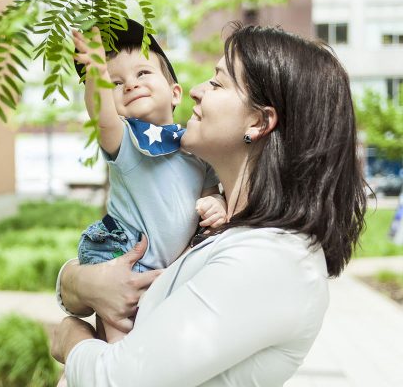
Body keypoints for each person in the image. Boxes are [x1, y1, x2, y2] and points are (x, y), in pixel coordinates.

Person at [51, 22, 367, 386]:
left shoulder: (270, 259)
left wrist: (72, 339)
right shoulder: (231, 231)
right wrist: (77, 283)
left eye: (217, 83)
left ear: (259, 121)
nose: (196, 91)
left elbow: (117, 378)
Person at [71, 19, 227, 343]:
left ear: (175, 93)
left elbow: (211, 197)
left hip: (167, 273)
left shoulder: (196, 150)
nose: (130, 84)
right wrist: (96, 77)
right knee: (120, 345)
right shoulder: (125, 141)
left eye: (142, 73)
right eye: (116, 83)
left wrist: (217, 203)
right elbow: (102, 118)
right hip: (122, 260)